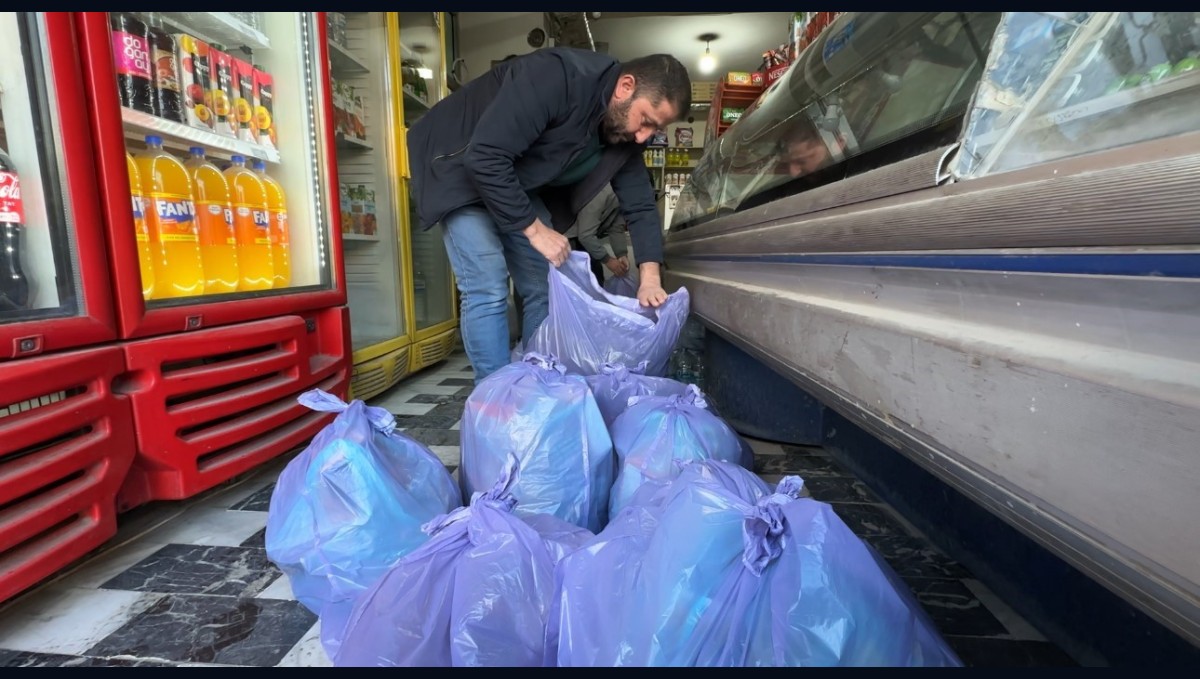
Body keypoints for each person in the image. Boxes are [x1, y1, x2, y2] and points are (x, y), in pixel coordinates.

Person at [407, 48, 691, 382]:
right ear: (625, 86)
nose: (643, 136)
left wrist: (650, 278)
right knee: (488, 286)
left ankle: (538, 381)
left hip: (514, 180)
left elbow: (640, 203)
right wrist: (535, 230)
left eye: (653, 130)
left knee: (544, 284)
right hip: (460, 168)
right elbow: (485, 157)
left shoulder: (625, 134)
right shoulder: (556, 77)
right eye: (645, 121)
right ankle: (496, 396)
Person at [564, 184, 629, 284]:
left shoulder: (623, 199)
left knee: (596, 278)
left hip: (584, 237)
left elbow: (616, 228)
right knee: (577, 282)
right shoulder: (602, 193)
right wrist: (608, 260)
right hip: (568, 235)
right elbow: (585, 235)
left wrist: (622, 254)